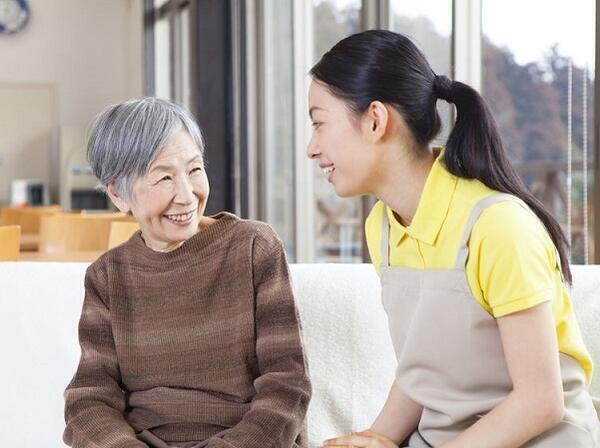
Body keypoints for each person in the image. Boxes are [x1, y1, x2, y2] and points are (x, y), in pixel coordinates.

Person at [307, 30, 599, 448]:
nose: (311, 148)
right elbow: (423, 368)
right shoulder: (383, 227)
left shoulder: (499, 227)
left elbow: (541, 402)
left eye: (319, 123)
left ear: (375, 119)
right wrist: (375, 437)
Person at [63, 97, 311, 448]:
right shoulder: (108, 277)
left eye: (194, 170)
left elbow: (288, 384)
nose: (187, 195)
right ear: (117, 193)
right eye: (163, 178)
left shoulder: (253, 247)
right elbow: (89, 399)